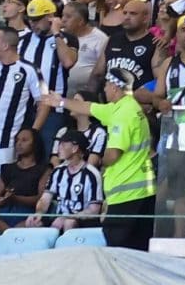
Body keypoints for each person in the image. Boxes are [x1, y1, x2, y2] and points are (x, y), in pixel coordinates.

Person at [54, 67, 158, 250]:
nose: (104, 90)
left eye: (107, 86)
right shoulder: (125, 107)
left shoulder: (123, 115)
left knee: (121, 247)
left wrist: (102, 162)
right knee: (139, 247)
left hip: (126, 192)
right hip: (141, 189)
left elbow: (113, 153)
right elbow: (88, 107)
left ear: (115, 88)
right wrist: (61, 102)